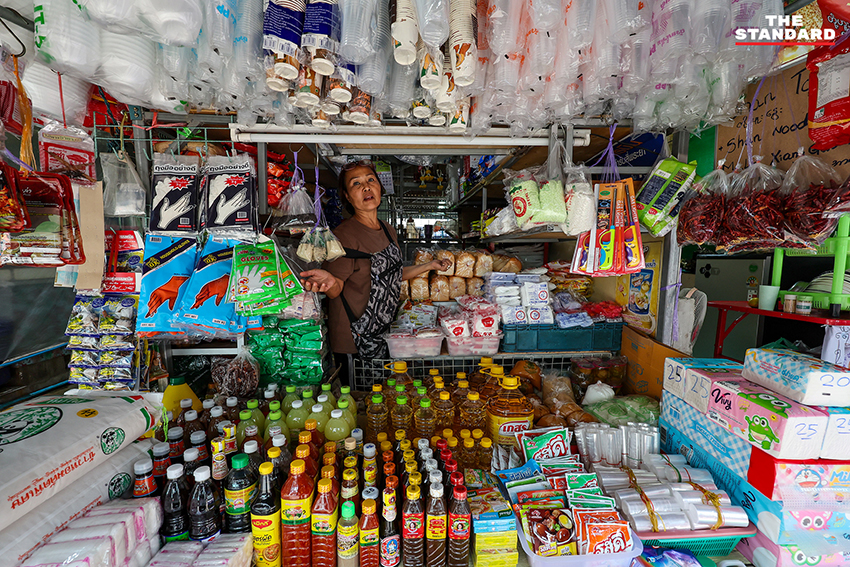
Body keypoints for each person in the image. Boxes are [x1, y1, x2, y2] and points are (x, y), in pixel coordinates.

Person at [299, 160, 450, 386]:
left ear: (380, 187)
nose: (366, 187)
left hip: (384, 332)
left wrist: (429, 266)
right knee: (364, 402)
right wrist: (329, 281)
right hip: (355, 340)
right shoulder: (343, 236)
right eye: (356, 184)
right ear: (348, 197)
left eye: (371, 180)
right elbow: (336, 288)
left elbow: (392, 274)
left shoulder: (387, 229)